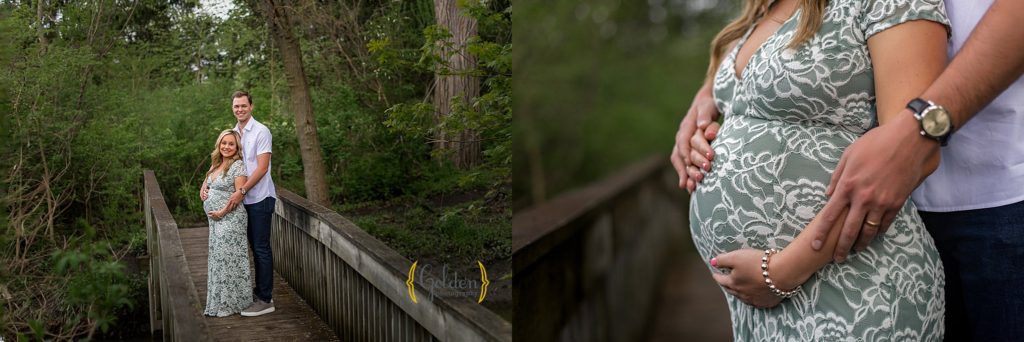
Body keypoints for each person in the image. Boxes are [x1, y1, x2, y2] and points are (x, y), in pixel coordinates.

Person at [675, 1, 1024, 339]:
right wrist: (716, 96)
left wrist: (780, 272)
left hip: (996, 187)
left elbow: (903, 157)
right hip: (799, 284)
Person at [201, 91, 278, 317]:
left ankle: (265, 299)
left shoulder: (261, 131)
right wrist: (205, 184)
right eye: (236, 106)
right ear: (232, 108)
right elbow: (222, 162)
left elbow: (262, 168)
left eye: (243, 106)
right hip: (240, 204)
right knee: (243, 250)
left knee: (261, 248)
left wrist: (241, 191)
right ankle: (246, 294)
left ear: (251, 106)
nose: (240, 110)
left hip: (259, 198)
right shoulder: (234, 133)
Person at [202, 129, 253, 317]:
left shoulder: (238, 166)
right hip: (215, 222)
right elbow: (209, 182)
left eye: (231, 144)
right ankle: (217, 302)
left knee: (229, 260)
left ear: (237, 147)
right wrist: (203, 189)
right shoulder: (216, 163)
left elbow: (239, 195)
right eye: (224, 143)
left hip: (231, 219)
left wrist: (222, 212)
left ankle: (232, 303)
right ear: (219, 144)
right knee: (218, 260)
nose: (227, 147)